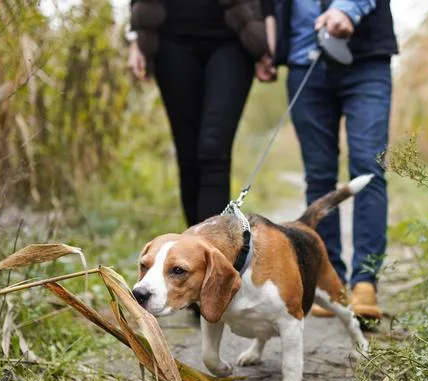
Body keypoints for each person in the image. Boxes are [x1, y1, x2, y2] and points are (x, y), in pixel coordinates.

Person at [260, 0, 398, 320]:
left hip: (366, 61)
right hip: (302, 63)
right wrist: (265, 48)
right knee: (319, 176)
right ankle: (331, 281)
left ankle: (365, 282)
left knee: (369, 167)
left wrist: (348, 9)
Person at [127, 0, 274, 227]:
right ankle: (194, 254)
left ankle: (211, 248)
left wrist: (265, 39)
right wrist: (137, 37)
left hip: (233, 39)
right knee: (188, 156)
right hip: (171, 39)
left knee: (214, 149)